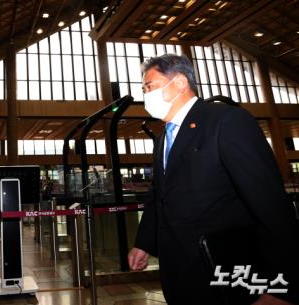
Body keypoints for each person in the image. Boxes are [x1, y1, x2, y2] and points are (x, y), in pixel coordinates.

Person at [128, 54, 299, 305]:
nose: (145, 95)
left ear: (179, 83)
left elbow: (268, 202)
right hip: (180, 270)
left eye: (149, 86)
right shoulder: (166, 136)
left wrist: (281, 283)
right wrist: (144, 243)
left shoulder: (226, 120)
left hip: (225, 268)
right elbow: (160, 195)